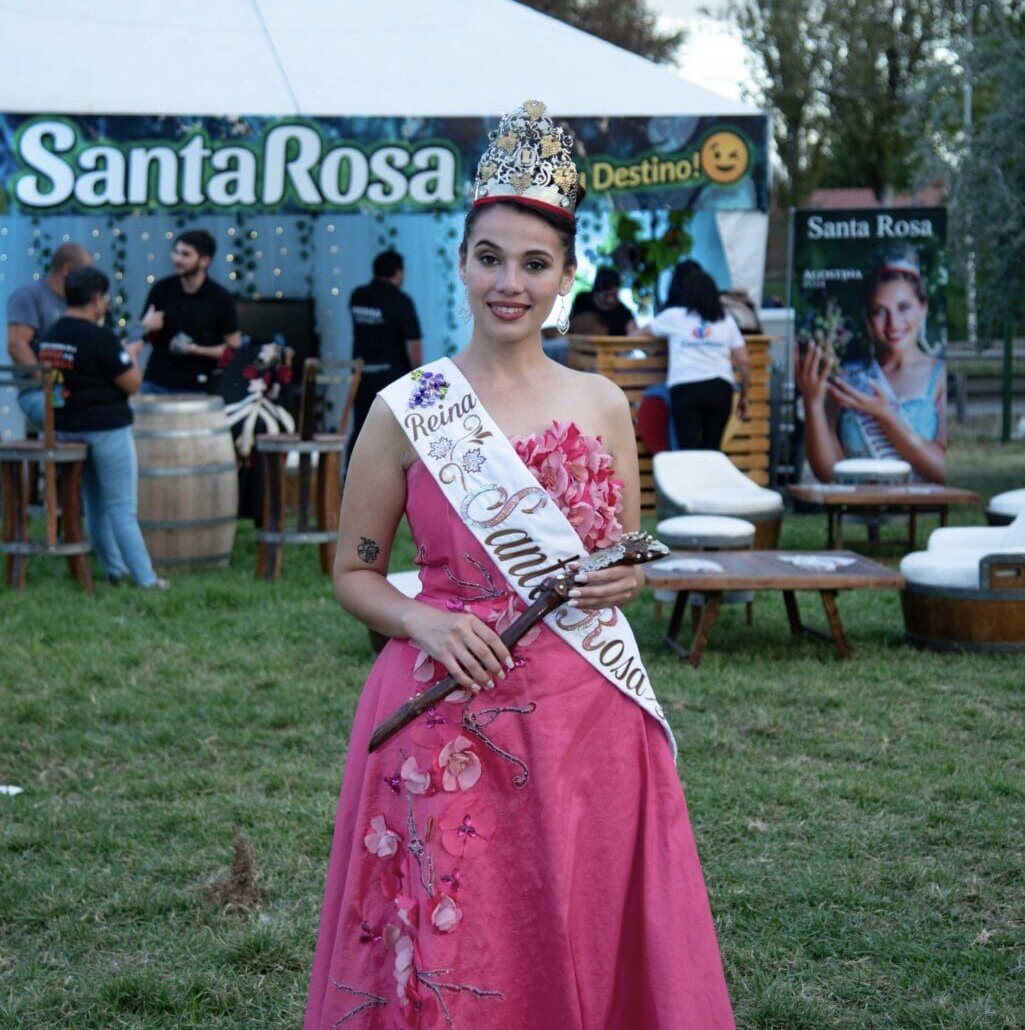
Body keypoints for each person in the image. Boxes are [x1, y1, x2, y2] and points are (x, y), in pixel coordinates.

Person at [305, 101, 734, 1029]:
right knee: (459, 936)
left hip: (586, 717)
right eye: (490, 258)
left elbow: (618, 560)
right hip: (445, 702)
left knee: (571, 925)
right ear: (460, 262)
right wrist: (422, 618)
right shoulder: (404, 409)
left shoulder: (601, 404)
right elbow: (354, 572)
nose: (510, 282)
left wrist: (627, 581)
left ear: (565, 275)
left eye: (533, 263)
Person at [36, 267, 166, 589]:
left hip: (67, 428)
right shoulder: (101, 337)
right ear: (96, 299)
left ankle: (115, 571)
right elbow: (132, 382)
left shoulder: (50, 335)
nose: (106, 303)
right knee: (122, 507)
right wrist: (132, 354)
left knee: (94, 505)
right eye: (105, 298)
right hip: (107, 428)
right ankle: (146, 580)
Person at [795, 247, 945, 483]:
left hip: (921, 513)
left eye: (904, 308)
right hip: (857, 508)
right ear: (866, 319)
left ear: (922, 308)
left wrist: (886, 417)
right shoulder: (849, 378)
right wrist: (812, 402)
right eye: (879, 312)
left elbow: (944, 469)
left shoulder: (940, 377)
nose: (893, 323)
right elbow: (828, 473)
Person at [641, 264, 751, 450]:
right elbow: (744, 362)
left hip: (685, 388)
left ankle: (691, 480)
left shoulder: (674, 317)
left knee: (688, 449)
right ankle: (711, 480)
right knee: (713, 449)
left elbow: (641, 333)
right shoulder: (726, 321)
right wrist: (745, 395)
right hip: (720, 388)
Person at [138, 229, 240, 394]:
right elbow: (141, 337)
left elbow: (233, 349)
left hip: (198, 386)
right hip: (157, 382)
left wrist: (195, 349)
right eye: (176, 252)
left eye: (185, 254)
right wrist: (147, 327)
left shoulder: (221, 298)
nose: (177, 259)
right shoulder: (161, 289)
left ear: (204, 261)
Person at [6, 242, 93, 428]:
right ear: (68, 269)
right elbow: (16, 345)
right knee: (73, 414)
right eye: (86, 272)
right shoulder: (30, 295)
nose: (90, 279)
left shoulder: (78, 302)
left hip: (79, 388)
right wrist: (47, 383)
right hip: (40, 392)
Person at [347, 250, 423, 464]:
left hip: (362, 374)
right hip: (392, 376)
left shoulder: (357, 296)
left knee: (360, 428)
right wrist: (417, 374)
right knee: (392, 432)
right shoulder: (400, 301)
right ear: (398, 273)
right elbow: (414, 345)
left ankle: (349, 478)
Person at [567, 265, 638, 335]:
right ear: (596, 291)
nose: (611, 300)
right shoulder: (582, 300)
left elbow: (634, 333)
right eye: (606, 295)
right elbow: (570, 326)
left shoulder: (623, 312)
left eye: (614, 295)